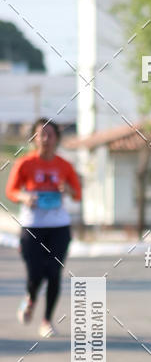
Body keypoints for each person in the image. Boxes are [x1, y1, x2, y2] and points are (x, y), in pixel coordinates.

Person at [6, 118, 81, 338]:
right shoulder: (25, 164)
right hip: (32, 226)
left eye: (50, 134)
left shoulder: (64, 165)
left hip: (59, 225)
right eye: (41, 134)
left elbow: (78, 194)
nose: (45, 139)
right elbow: (11, 191)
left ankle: (47, 320)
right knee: (35, 274)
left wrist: (67, 189)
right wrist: (23, 196)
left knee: (54, 273)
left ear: (57, 138)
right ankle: (30, 298)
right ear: (34, 138)